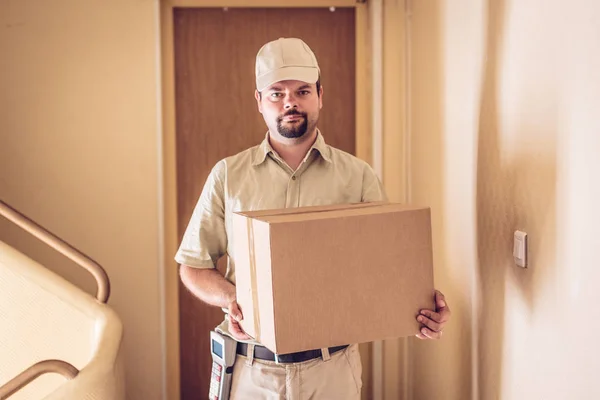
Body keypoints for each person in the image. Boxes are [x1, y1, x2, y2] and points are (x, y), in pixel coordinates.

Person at [175, 37, 451, 399]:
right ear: (259, 102)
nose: (290, 101)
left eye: (302, 91)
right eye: (276, 93)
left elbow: (385, 269)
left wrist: (417, 308)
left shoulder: (358, 176)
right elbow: (192, 266)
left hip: (332, 373)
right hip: (253, 372)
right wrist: (232, 298)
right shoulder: (228, 176)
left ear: (320, 95)